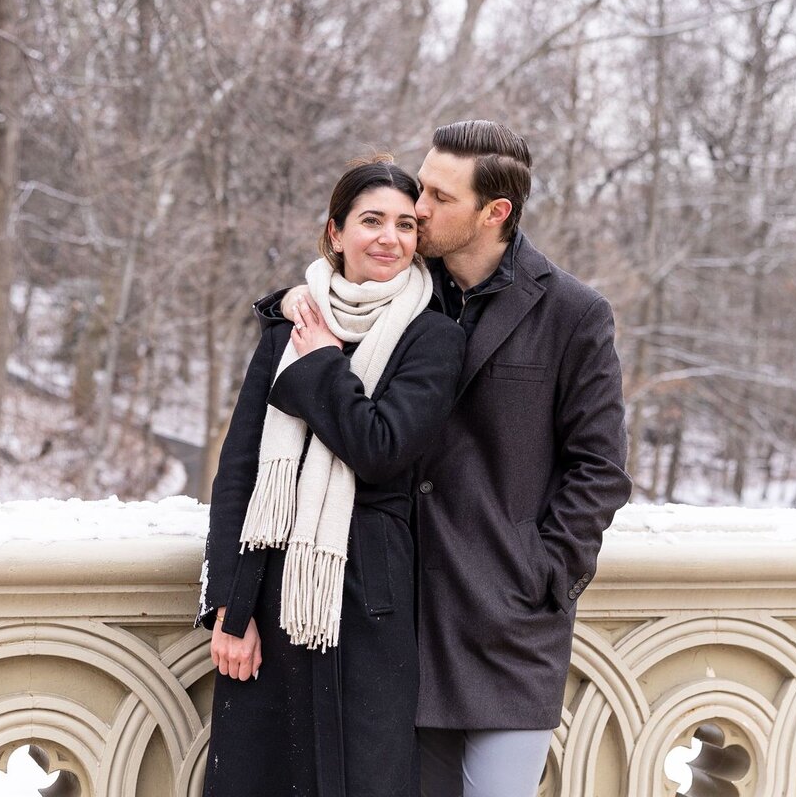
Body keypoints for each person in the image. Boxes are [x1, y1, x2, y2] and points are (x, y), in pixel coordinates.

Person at [260, 121, 632, 797]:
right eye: (421, 185)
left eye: (438, 196)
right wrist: (287, 301)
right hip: (397, 618)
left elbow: (599, 468)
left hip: (510, 629)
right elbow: (325, 294)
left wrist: (542, 576)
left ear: (496, 213)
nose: (417, 208)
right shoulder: (404, 285)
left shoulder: (574, 313)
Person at [197, 156, 466, 797]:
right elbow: (239, 469)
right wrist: (230, 608)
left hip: (370, 600)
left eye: (406, 225)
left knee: (361, 778)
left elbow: (381, 447)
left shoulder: (434, 338)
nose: (389, 238)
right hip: (272, 589)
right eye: (371, 220)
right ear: (335, 232)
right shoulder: (288, 326)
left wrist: (320, 365)